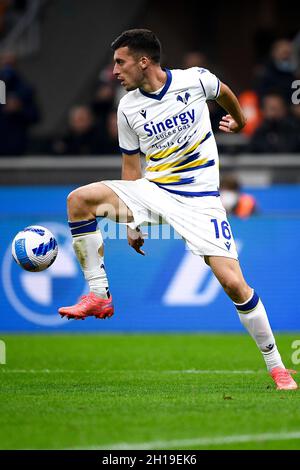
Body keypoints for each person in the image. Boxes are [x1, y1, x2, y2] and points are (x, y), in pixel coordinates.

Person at [58, 29, 297, 391]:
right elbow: (131, 164)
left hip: (201, 200)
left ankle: (278, 368)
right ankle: (99, 295)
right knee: (78, 200)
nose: (115, 72)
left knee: (234, 284)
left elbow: (226, 93)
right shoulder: (127, 107)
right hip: (153, 191)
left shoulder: (195, 80)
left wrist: (242, 121)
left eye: (120, 63)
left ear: (144, 61)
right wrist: (132, 222)